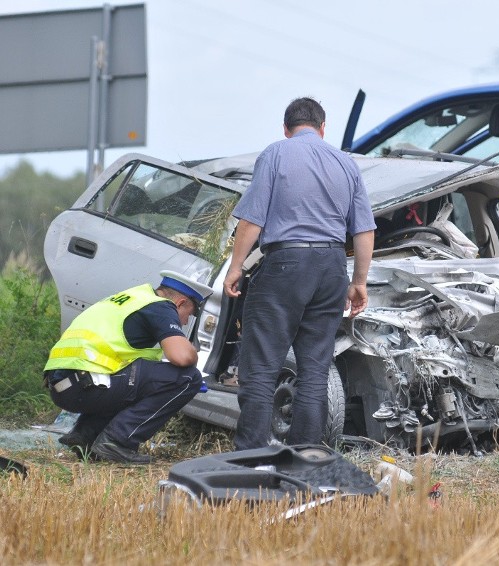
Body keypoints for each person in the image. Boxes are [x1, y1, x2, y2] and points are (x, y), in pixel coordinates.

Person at [223, 96, 375, 450]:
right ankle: (306, 455)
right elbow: (364, 230)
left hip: (285, 264)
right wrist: (359, 282)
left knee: (261, 366)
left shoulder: (276, 153)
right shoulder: (347, 164)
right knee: (314, 369)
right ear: (323, 129)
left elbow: (252, 219)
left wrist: (235, 267)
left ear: (286, 129)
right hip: (332, 267)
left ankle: (250, 456)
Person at [43, 271, 213, 464]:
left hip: (64, 386)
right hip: (84, 384)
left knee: (135, 378)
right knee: (188, 378)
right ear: (180, 303)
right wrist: (191, 350)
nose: (184, 321)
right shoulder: (161, 306)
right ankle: (117, 441)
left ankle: (85, 434)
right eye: (188, 315)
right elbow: (181, 357)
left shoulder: (130, 298)